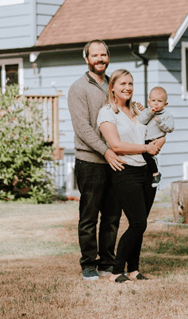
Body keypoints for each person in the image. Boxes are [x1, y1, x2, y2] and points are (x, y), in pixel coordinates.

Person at [97, 69, 164, 283]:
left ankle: (133, 269)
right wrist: (146, 148)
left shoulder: (137, 110)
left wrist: (157, 144)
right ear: (112, 87)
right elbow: (116, 145)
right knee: (137, 223)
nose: (128, 88)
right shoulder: (107, 113)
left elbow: (156, 132)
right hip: (125, 171)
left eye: (131, 84)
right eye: (123, 84)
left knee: (141, 222)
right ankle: (117, 270)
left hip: (146, 171)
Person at [68, 40, 126, 281]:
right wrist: (105, 151)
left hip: (116, 161)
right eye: (95, 55)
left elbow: (124, 116)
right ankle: (88, 264)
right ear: (86, 59)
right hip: (90, 162)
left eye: (104, 54)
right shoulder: (78, 88)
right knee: (89, 216)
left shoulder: (115, 85)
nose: (100, 58)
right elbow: (83, 128)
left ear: (108, 57)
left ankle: (107, 263)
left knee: (112, 217)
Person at [138, 86, 174, 186]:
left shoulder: (167, 116)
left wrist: (160, 121)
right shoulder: (147, 111)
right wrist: (150, 112)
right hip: (144, 140)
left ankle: (156, 174)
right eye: (153, 100)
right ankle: (150, 174)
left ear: (165, 104)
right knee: (144, 157)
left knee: (147, 156)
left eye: (159, 101)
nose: (156, 103)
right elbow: (141, 121)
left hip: (156, 140)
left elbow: (170, 128)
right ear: (149, 102)